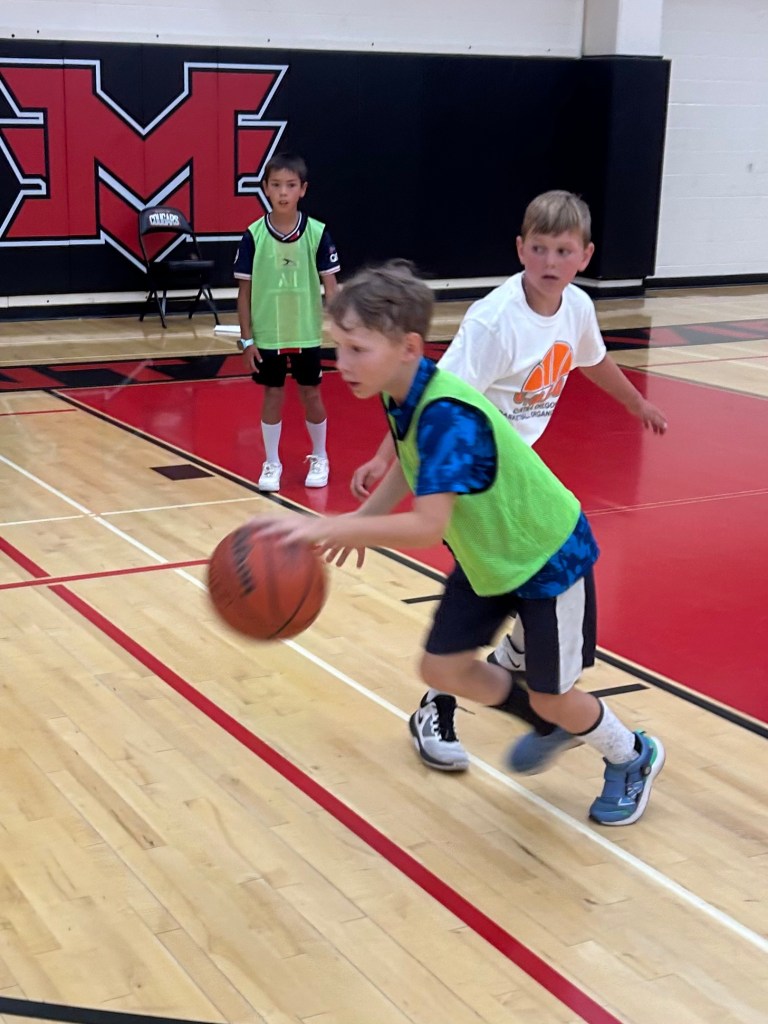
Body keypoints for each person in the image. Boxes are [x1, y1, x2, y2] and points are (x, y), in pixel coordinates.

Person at [252, 260, 665, 827]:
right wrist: (366, 515)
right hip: (489, 554)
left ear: (408, 346)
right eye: (338, 347)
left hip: (546, 555)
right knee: (442, 668)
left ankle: (631, 753)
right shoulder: (401, 389)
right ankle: (546, 724)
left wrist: (333, 526)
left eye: (355, 349)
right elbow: (407, 456)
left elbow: (426, 524)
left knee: (555, 694)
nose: (340, 363)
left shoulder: (447, 411)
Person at [350, 191, 668, 774]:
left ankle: (539, 705)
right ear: (520, 249)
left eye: (563, 250)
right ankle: (457, 704)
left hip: (517, 488)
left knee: (514, 600)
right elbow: (428, 398)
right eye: (539, 248)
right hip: (470, 479)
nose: (550, 261)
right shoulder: (494, 322)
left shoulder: (575, 308)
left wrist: (635, 402)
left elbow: (592, 360)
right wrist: (380, 464)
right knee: (488, 609)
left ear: (584, 256)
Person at [234, 152, 341, 492]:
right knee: (272, 395)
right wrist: (247, 340)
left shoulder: (317, 233)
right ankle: (271, 463)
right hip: (268, 335)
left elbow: (331, 288)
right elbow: (244, 293)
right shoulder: (253, 236)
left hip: (306, 333)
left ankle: (321, 456)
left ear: (303, 190)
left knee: (311, 394)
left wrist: (341, 333)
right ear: (265, 188)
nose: (283, 192)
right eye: (276, 185)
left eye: (290, 186)